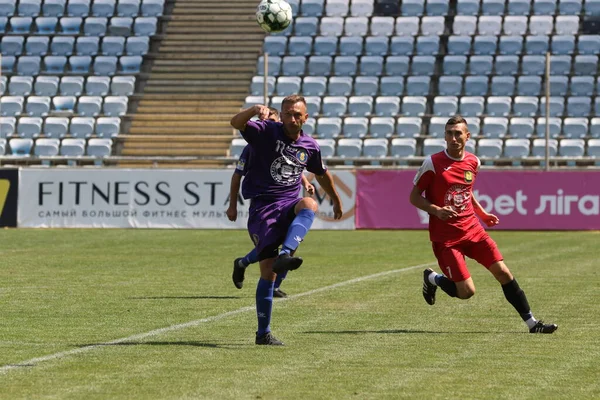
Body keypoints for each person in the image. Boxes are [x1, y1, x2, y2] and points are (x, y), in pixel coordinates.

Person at [409, 115, 558, 334]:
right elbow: (414, 197)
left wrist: (482, 213)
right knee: (467, 291)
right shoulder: (433, 163)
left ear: (467, 136)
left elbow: (466, 193)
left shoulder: (473, 162)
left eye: (458, 133)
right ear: (445, 136)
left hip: (473, 230)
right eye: (449, 133)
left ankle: (532, 324)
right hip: (447, 238)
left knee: (504, 273)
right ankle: (433, 278)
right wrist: (437, 210)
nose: (453, 137)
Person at [230, 95, 343, 345]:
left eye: (297, 114)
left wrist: (335, 199)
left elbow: (322, 174)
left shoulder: (310, 145)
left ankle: (286, 254)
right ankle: (263, 333)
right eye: (287, 113)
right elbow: (235, 122)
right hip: (263, 210)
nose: (292, 118)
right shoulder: (265, 131)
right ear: (280, 115)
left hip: (289, 204)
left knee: (309, 204)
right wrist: (251, 110)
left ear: (306, 117)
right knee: (268, 274)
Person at [227, 107, 315, 298]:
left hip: (286, 202)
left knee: (288, 245)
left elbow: (291, 167)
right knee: (271, 249)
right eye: (271, 122)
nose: (275, 126)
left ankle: (267, 281)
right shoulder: (253, 147)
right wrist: (232, 205)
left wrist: (306, 181)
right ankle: (245, 266)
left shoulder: (287, 143)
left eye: (276, 121)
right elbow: (237, 176)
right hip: (265, 205)